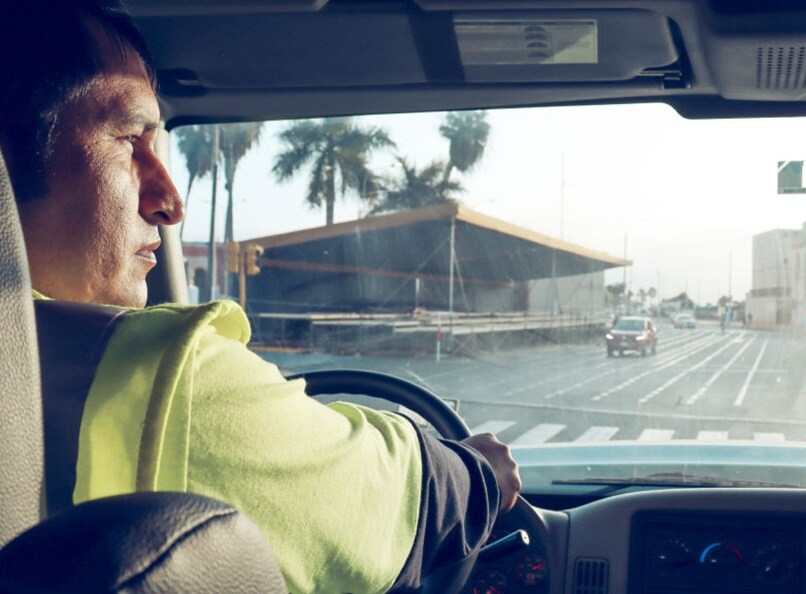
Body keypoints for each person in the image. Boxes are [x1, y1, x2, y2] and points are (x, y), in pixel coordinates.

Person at [0, 2, 521, 592]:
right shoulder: (153, 373)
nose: (170, 202)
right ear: (7, 162)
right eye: (129, 138)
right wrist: (480, 473)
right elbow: (394, 500)